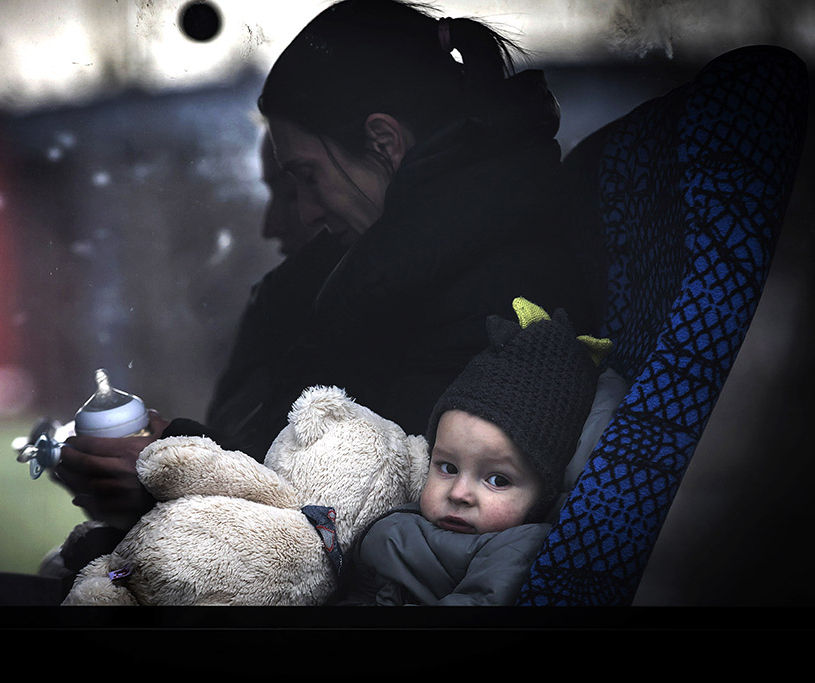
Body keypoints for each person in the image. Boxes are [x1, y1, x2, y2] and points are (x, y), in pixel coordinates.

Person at [52, 0, 602, 538]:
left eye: (308, 175)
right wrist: (177, 449)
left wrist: (165, 473)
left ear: (384, 143)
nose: (306, 212)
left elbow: (363, 503)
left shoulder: (495, 295)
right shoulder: (416, 261)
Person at [335, 298, 604, 606]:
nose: (459, 493)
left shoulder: (518, 549)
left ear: (543, 492)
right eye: (447, 467)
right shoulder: (409, 514)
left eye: (498, 480)